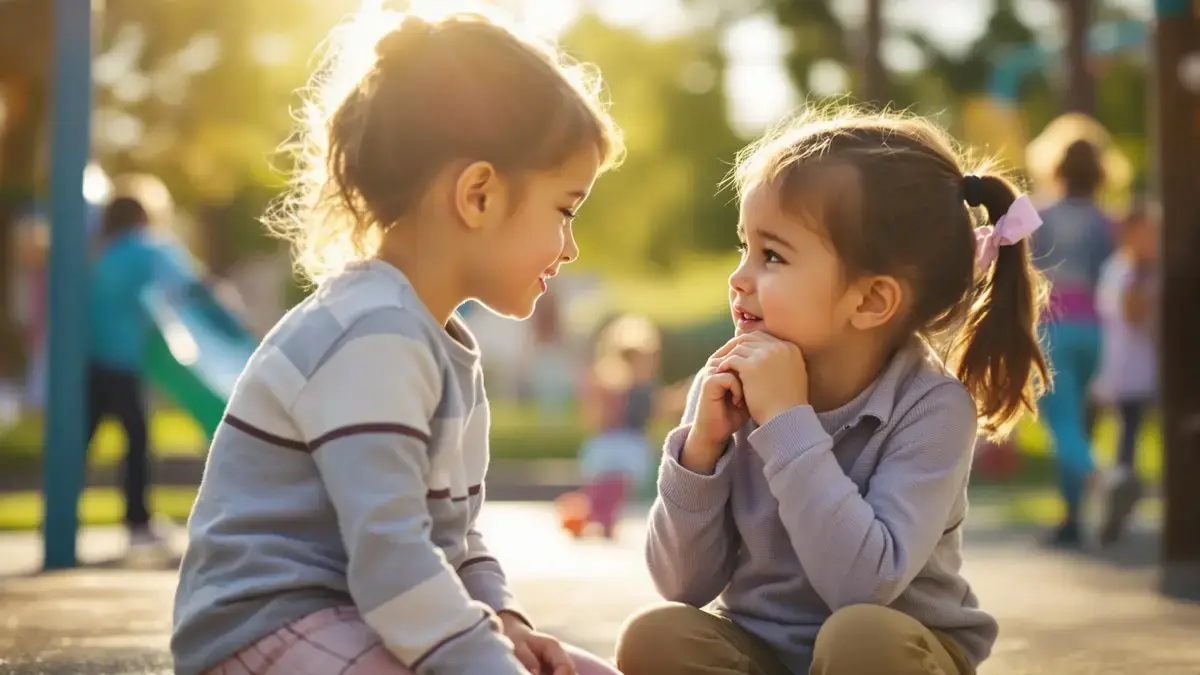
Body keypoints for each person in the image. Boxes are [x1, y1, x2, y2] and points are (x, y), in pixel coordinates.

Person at [171, 9, 624, 675]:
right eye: (565, 209)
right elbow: (393, 557)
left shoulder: (443, 344)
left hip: (364, 609)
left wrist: (503, 622)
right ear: (478, 195)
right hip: (263, 627)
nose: (571, 247)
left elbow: (455, 539)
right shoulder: (371, 333)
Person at [615, 107, 1050, 675]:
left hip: (894, 650)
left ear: (870, 301)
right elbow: (682, 583)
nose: (739, 277)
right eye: (744, 246)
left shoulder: (931, 408)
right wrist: (700, 453)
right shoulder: (728, 381)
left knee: (859, 639)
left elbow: (864, 586)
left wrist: (787, 422)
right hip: (763, 650)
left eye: (772, 255)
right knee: (656, 636)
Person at [88, 190, 199, 549]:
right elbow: (189, 282)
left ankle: (55, 517)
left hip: (91, 359)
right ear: (141, 216)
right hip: (122, 359)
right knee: (137, 439)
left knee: (80, 440)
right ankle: (138, 521)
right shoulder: (146, 247)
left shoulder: (100, 252)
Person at [1030, 139, 1115, 548]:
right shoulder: (1105, 221)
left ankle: (1106, 479)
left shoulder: (1039, 214)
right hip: (1095, 331)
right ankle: (1073, 521)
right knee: (1080, 426)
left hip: (1053, 329)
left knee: (1062, 425)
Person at [1092, 197, 1159, 547]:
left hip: (1156, 372)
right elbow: (1133, 316)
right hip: (1131, 372)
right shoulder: (1123, 271)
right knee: (1127, 440)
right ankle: (1118, 504)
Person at [558, 315, 660, 539]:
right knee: (604, 486)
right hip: (612, 442)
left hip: (630, 442)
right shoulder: (612, 379)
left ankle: (601, 519)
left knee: (616, 488)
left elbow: (652, 411)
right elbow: (598, 412)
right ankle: (583, 515)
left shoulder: (642, 386)